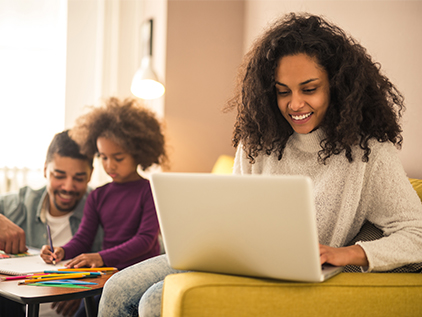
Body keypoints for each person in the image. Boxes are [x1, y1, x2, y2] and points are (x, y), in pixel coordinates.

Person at [97, 13, 422, 317]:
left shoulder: (369, 153)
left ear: (337, 86)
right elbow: (237, 213)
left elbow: (417, 234)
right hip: (232, 260)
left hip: (289, 276)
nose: (294, 104)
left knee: (156, 300)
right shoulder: (258, 141)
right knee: (116, 289)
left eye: (309, 89)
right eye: (283, 92)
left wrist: (350, 254)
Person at [41, 97, 167, 316]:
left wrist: (100, 257)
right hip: (106, 274)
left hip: (138, 275)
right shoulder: (98, 196)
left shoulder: (149, 191)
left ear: (138, 152)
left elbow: (146, 240)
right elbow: (83, 238)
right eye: (103, 157)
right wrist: (62, 250)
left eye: (118, 157)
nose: (109, 165)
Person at [0, 130, 103, 317]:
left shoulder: (104, 208)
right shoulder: (20, 205)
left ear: (90, 175)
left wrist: (88, 289)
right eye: (59, 175)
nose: (68, 186)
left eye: (79, 178)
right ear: (46, 169)